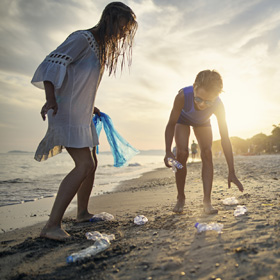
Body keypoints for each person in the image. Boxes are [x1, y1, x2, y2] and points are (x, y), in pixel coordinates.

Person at [31, 2, 137, 240]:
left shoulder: (98, 47)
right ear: (109, 18)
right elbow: (50, 64)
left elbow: (80, 81)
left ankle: (82, 212)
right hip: (65, 112)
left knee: (92, 161)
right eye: (122, 27)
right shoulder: (82, 38)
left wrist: (90, 106)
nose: (122, 34)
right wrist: (50, 98)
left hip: (81, 112)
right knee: (84, 165)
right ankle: (51, 225)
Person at [164, 70, 244, 214]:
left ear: (217, 96)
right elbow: (171, 124)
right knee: (182, 153)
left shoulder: (218, 106)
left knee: (207, 153)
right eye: (199, 99)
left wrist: (231, 171)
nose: (202, 105)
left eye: (208, 102)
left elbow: (225, 138)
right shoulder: (182, 96)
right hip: (182, 120)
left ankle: (207, 201)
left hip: (202, 122)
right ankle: (180, 197)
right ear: (194, 87)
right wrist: (168, 151)